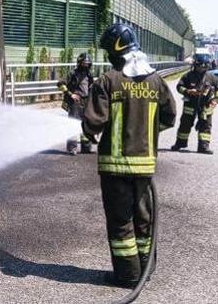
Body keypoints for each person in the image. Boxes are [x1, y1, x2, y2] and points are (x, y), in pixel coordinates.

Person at [83, 23, 177, 288]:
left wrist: (88, 132)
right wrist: (144, 132)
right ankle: (146, 269)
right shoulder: (156, 80)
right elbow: (169, 116)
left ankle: (128, 275)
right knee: (144, 219)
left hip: (115, 167)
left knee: (121, 222)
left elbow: (94, 121)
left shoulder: (108, 81)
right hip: (145, 166)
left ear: (116, 51)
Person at [171, 54, 218, 154]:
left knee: (205, 126)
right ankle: (180, 143)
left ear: (207, 67)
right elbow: (179, 87)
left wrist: (216, 100)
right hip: (190, 105)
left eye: (204, 67)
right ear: (195, 65)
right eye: (199, 66)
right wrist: (188, 91)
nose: (201, 69)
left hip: (206, 107)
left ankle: (203, 147)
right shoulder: (188, 76)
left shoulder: (211, 78)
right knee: (185, 125)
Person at [60, 53, 94, 155]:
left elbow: (91, 86)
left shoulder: (89, 74)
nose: (85, 65)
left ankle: (86, 148)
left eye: (87, 64)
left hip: (86, 101)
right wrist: (70, 94)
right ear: (79, 63)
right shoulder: (72, 73)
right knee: (73, 123)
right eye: (83, 63)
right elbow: (60, 84)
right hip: (75, 102)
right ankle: (71, 148)